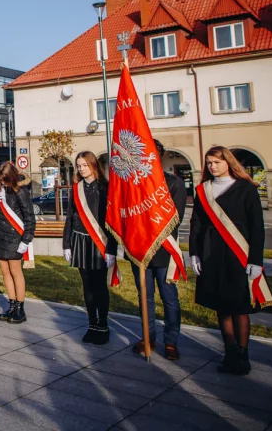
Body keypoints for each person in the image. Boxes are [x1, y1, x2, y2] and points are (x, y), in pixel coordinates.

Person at [190, 146, 268, 376]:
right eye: (209, 163)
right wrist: (194, 252)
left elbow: (257, 228)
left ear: (228, 162)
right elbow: (197, 224)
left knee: (239, 307)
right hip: (212, 253)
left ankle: (243, 356)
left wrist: (256, 260)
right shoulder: (203, 189)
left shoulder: (246, 189)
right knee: (222, 308)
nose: (213, 166)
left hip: (239, 254)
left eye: (217, 162)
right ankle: (230, 353)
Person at [127, 139, 186, 359]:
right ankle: (148, 337)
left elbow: (175, 217)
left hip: (163, 249)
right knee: (145, 297)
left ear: (158, 156)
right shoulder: (133, 184)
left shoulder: (174, 183)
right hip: (140, 250)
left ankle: (170, 341)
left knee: (169, 297)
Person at [63, 151, 116, 344]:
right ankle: (92, 324)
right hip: (80, 240)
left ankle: (103, 325)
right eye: (78, 166)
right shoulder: (76, 189)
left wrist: (111, 248)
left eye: (85, 165)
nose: (81, 169)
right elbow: (70, 217)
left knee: (100, 285)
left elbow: (112, 221)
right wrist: (66, 244)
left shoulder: (106, 188)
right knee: (87, 285)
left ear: (93, 165)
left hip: (99, 242)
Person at [0, 161, 36, 324]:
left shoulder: (21, 192)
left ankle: (20, 310)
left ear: (12, 177)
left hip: (14, 238)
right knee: (5, 271)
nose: (2, 183)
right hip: (0, 236)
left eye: (5, 180)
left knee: (15, 272)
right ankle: (12, 306)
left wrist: (26, 240)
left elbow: (29, 218)